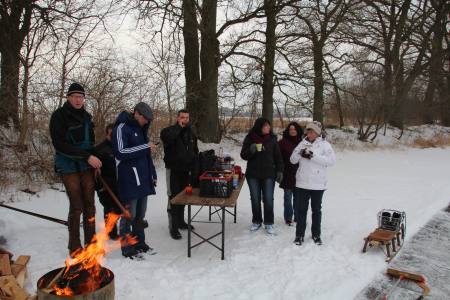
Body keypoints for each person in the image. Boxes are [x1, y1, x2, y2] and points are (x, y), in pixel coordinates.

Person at [49, 82, 102, 256]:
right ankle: (74, 246)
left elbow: (91, 143)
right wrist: (87, 157)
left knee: (90, 205)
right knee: (77, 205)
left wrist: (96, 162)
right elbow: (59, 145)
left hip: (86, 166)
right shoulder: (59, 116)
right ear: (68, 98)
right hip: (68, 166)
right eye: (75, 96)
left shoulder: (87, 116)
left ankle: (91, 242)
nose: (78, 100)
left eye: (81, 97)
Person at [111, 102, 157, 258]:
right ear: (136, 113)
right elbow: (120, 152)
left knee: (140, 214)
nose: (147, 122)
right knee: (128, 215)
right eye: (145, 118)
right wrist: (145, 147)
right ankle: (127, 247)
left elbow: (146, 155)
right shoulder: (121, 128)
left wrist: (152, 174)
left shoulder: (141, 128)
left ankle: (139, 242)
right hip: (129, 180)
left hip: (143, 179)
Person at [290, 121, 335, 246]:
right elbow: (292, 160)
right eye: (308, 131)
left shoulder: (325, 145)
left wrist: (313, 156)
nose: (309, 133)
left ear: (318, 133)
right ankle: (299, 235)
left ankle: (316, 235)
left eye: (312, 131)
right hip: (302, 183)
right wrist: (299, 153)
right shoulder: (302, 143)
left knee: (316, 210)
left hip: (318, 184)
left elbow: (331, 161)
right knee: (301, 210)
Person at [240, 117, 284, 235]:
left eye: (269, 126)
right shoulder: (250, 139)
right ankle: (257, 221)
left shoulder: (272, 139)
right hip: (253, 174)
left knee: (268, 199)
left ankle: (269, 223)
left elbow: (278, 157)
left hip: (269, 174)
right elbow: (243, 155)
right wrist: (251, 149)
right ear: (259, 127)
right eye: (265, 126)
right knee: (255, 199)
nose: (268, 128)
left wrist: (280, 171)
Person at [160, 109, 199, 240]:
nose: (185, 120)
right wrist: (179, 128)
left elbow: (195, 150)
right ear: (177, 118)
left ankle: (181, 222)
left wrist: (194, 166)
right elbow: (168, 138)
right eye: (182, 117)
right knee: (173, 197)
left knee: (184, 196)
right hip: (173, 170)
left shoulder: (191, 132)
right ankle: (173, 227)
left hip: (186, 170)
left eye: (187, 118)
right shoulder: (169, 131)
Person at [94, 124, 121, 240]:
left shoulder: (120, 147)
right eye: (111, 134)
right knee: (110, 209)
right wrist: (99, 187)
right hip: (105, 186)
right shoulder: (99, 150)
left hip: (119, 184)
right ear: (107, 134)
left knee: (119, 208)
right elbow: (94, 172)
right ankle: (111, 232)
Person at [278, 122, 303, 226]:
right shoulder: (282, 142)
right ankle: (288, 218)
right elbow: (278, 158)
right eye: (290, 129)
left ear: (298, 130)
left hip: (300, 173)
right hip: (287, 173)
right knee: (287, 197)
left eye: (294, 129)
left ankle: (297, 217)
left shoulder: (303, 142)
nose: (292, 131)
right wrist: (279, 170)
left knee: (298, 198)